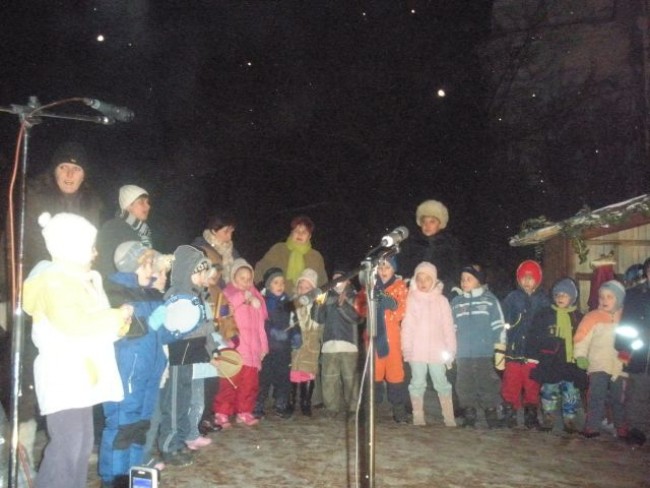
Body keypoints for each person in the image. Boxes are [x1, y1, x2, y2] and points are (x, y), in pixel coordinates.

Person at [22, 212, 131, 488]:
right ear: (70, 247)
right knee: (67, 448)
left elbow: (94, 324)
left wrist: (119, 324)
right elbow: (73, 324)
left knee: (81, 445)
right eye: (89, 246)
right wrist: (114, 317)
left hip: (80, 375)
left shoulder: (80, 280)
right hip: (63, 374)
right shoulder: (54, 281)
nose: (95, 253)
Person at [99, 241, 167, 488]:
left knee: (141, 426)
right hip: (128, 370)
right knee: (122, 425)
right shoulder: (116, 291)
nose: (152, 270)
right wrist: (149, 322)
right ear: (132, 265)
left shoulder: (148, 293)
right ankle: (114, 479)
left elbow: (163, 333)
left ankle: (134, 475)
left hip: (150, 370)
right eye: (147, 265)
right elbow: (124, 330)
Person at [157, 245, 216, 467]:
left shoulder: (198, 296)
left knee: (184, 401)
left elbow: (203, 330)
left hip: (191, 356)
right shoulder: (176, 297)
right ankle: (169, 446)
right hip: (177, 357)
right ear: (186, 271)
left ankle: (180, 440)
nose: (203, 277)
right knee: (174, 403)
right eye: (198, 272)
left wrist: (211, 348)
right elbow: (180, 329)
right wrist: (211, 327)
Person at [213, 259, 268, 427]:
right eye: (241, 278)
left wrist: (263, 346)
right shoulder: (228, 294)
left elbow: (261, 326)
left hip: (252, 350)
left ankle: (244, 411)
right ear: (233, 277)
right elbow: (224, 312)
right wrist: (242, 297)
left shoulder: (256, 298)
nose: (245, 282)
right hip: (235, 348)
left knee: (249, 384)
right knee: (229, 383)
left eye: (249, 279)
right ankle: (222, 412)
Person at [401, 262, 456, 427]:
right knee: (417, 382)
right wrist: (406, 348)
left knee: (441, 382)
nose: (423, 282)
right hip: (417, 352)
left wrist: (450, 350)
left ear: (434, 280)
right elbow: (407, 326)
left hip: (437, 352)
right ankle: (418, 415)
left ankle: (449, 417)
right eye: (419, 279)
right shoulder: (411, 300)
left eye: (427, 279)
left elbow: (448, 327)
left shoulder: (442, 301)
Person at [451, 265, 505, 429]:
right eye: (462, 279)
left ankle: (491, 412)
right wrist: (451, 351)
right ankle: (469, 412)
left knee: (487, 382)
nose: (464, 282)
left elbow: (499, 326)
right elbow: (451, 328)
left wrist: (500, 351)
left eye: (469, 279)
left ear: (479, 281)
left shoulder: (489, 300)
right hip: (463, 354)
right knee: (464, 384)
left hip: (484, 352)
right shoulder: (456, 303)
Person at [528, 278, 585, 433]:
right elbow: (536, 335)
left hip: (570, 362)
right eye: (557, 294)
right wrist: (537, 353)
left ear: (572, 298)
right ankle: (548, 415)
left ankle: (569, 418)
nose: (560, 297)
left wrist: (583, 356)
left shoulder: (578, 318)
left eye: (565, 295)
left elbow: (584, 338)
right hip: (551, 361)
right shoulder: (545, 315)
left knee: (571, 391)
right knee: (549, 390)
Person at [574, 280, 629, 439]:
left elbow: (632, 339)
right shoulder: (592, 317)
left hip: (620, 366)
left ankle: (621, 426)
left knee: (619, 399)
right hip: (598, 364)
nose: (604, 300)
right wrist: (580, 355)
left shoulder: (626, 318)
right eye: (601, 297)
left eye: (609, 297)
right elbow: (581, 339)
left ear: (619, 298)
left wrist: (628, 354)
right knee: (595, 396)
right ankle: (592, 426)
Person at [501, 260, 550, 428]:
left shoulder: (543, 300)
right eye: (524, 277)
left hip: (533, 352)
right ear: (518, 279)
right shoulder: (512, 298)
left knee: (532, 384)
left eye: (531, 277)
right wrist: (503, 341)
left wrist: (545, 346)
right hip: (513, 350)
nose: (527, 281)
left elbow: (547, 324)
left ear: (538, 279)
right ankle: (510, 411)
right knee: (511, 382)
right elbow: (504, 320)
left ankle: (531, 414)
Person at [317, 267, 362, 419]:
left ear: (348, 281)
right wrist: (318, 303)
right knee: (329, 378)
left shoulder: (354, 296)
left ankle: (353, 409)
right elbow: (318, 318)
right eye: (334, 279)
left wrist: (343, 306)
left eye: (340, 279)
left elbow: (357, 318)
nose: (337, 282)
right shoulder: (326, 296)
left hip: (349, 345)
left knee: (350, 379)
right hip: (329, 346)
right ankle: (331, 408)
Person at [254, 267, 299, 419]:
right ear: (268, 285)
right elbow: (260, 322)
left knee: (283, 377)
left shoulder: (289, 303)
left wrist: (296, 335)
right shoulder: (263, 302)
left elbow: (294, 321)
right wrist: (271, 331)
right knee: (264, 377)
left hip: (284, 349)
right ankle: (258, 404)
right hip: (267, 348)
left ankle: (281, 404)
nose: (280, 285)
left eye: (282, 282)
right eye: (276, 282)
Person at [615, 258, 650, 446]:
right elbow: (626, 324)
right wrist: (623, 347)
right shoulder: (635, 295)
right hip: (640, 353)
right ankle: (637, 430)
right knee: (638, 392)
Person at [372, 256, 409, 423]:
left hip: (392, 338)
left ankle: (399, 409)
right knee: (375, 373)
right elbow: (362, 309)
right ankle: (373, 407)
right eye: (380, 267)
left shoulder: (400, 286)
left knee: (395, 373)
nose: (383, 271)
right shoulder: (372, 286)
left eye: (387, 267)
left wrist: (391, 303)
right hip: (374, 338)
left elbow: (402, 310)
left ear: (394, 269)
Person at [398, 200, 464, 292]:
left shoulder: (450, 245)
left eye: (432, 222)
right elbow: (404, 267)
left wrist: (451, 287)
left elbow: (455, 270)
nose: (427, 225)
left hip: (442, 291)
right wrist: (408, 282)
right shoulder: (412, 244)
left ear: (440, 224)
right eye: (424, 222)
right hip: (415, 290)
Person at [254, 215, 328, 292]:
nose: (300, 234)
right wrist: (262, 290)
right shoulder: (278, 249)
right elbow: (260, 268)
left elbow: (323, 283)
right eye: (297, 231)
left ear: (309, 236)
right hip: (277, 297)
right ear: (291, 232)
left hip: (305, 298)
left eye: (304, 232)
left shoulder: (315, 256)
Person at [96, 185, 152, 278]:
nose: (148, 206)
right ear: (128, 206)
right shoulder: (113, 228)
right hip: (117, 286)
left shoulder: (143, 232)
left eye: (147, 202)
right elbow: (107, 267)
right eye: (142, 202)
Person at [289, 268, 323, 416]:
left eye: (307, 288)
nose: (303, 291)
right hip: (296, 345)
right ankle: (291, 402)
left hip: (311, 345)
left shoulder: (317, 305)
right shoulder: (293, 304)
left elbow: (318, 323)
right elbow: (288, 322)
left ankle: (306, 402)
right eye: (301, 287)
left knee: (308, 373)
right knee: (294, 372)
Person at [191, 213, 239, 285]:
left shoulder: (232, 252)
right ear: (214, 231)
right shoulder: (199, 246)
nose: (230, 237)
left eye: (231, 232)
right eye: (226, 232)